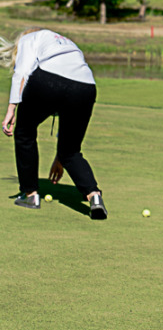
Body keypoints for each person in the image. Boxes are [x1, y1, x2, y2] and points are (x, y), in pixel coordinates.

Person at [1, 29, 107, 218]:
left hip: (48, 80)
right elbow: (65, 105)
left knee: (24, 133)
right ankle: (94, 196)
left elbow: (23, 70)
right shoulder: (67, 43)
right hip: (86, 86)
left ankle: (30, 194)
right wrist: (62, 156)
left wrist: (11, 108)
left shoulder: (28, 38)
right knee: (71, 151)